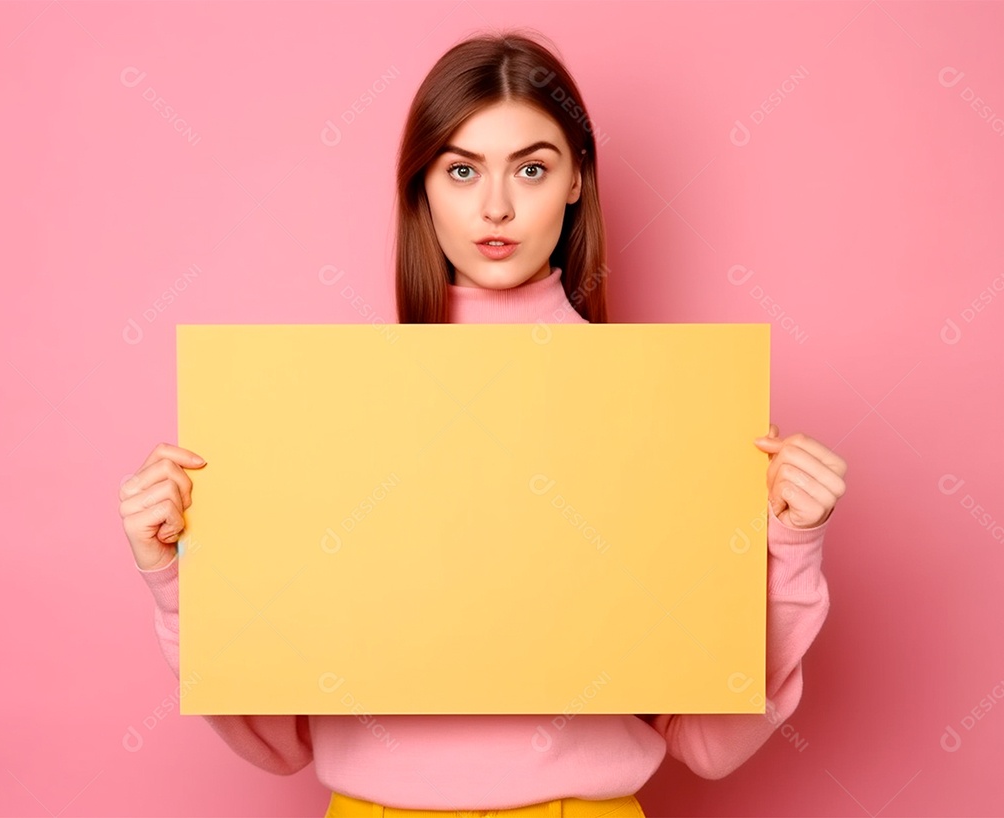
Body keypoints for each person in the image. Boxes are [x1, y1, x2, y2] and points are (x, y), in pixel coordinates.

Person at [118, 29, 848, 818]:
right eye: (462, 170)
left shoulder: (664, 410)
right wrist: (174, 578)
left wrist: (791, 549)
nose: (495, 206)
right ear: (422, 187)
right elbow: (276, 736)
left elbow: (707, 739)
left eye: (531, 169)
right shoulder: (327, 411)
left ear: (575, 184)